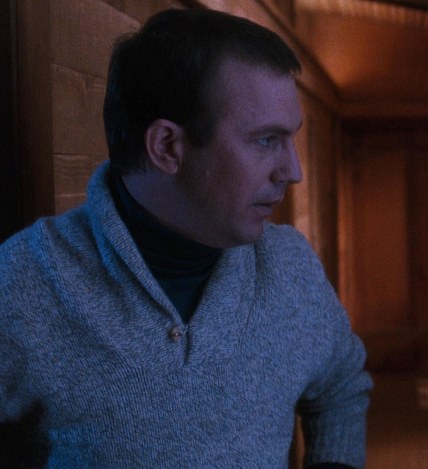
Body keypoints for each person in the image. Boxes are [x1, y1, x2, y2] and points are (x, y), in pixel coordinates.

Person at [0, 8, 371, 468]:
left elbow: (341, 385)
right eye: (265, 140)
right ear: (167, 147)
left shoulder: (289, 266)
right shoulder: (26, 282)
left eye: (290, 138)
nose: (292, 171)